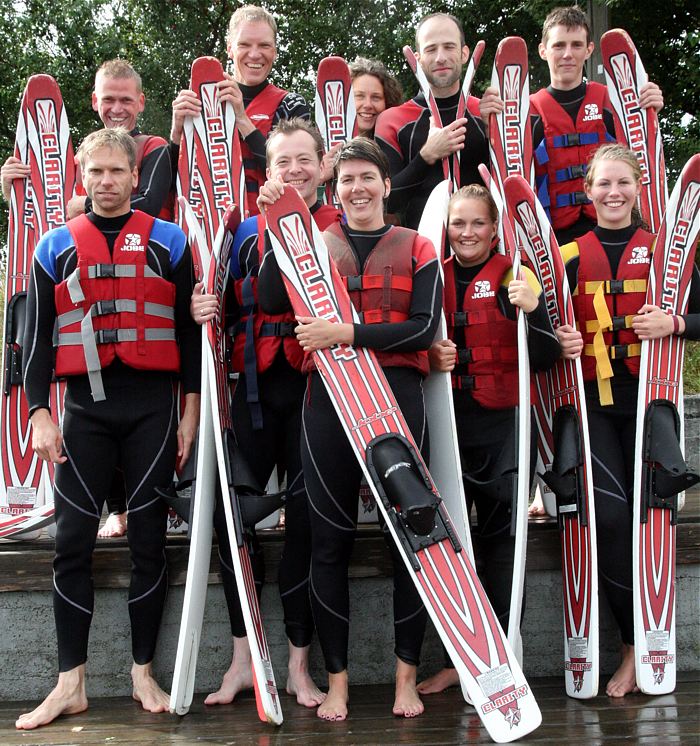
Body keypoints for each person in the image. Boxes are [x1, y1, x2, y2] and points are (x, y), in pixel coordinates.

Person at [16, 127, 200, 729]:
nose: (105, 181)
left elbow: (191, 336)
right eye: (94, 171)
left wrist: (191, 409)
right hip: (83, 413)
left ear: (134, 175)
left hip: (152, 409)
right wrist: (40, 413)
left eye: (117, 171)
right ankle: (70, 682)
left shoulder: (170, 243)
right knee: (71, 543)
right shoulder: (54, 248)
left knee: (149, 542)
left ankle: (143, 671)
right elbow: (35, 340)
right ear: (81, 174)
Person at [258, 137, 442, 721]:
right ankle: (337, 681)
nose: (357, 189)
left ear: (387, 186)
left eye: (367, 178)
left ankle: (404, 678)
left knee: (408, 544)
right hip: (328, 405)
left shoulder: (418, 245)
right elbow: (267, 298)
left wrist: (347, 335)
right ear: (333, 192)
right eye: (346, 181)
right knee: (329, 543)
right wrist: (274, 229)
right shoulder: (314, 245)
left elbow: (421, 328)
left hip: (398, 402)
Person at [191, 118, 340, 709]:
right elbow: (219, 305)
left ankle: (298, 667)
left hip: (313, 398)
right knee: (235, 524)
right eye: (284, 163)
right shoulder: (242, 232)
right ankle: (242, 661)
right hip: (250, 395)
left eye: (306, 161)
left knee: (305, 527)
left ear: (323, 167)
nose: (295, 172)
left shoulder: (339, 229)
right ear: (267, 170)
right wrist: (202, 304)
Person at [2, 59, 175, 539]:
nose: (117, 108)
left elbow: (146, 197)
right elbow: (48, 226)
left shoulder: (155, 150)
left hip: (149, 282)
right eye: (108, 99)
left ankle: (130, 508)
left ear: (141, 103)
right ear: (95, 103)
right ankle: (110, 506)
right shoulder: (80, 157)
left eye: (127, 99)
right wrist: (18, 192)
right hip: (91, 328)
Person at [554, 144, 700, 697]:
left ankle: (647, 644)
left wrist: (677, 320)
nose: (613, 193)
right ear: (587, 193)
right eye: (603, 184)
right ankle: (629, 648)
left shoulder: (668, 253)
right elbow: (534, 338)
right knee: (612, 522)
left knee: (651, 525)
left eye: (623, 183)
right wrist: (557, 337)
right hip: (592, 411)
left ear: (640, 189)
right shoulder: (566, 255)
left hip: (650, 406)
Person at [418, 185, 561, 695]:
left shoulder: (514, 276)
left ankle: (504, 649)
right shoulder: (430, 274)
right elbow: (411, 343)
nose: (468, 232)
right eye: (459, 223)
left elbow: (544, 357)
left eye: (478, 223)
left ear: (495, 228)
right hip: (449, 430)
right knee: (453, 547)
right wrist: (429, 359)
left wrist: (536, 308)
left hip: (502, 430)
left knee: (500, 545)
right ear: (447, 226)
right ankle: (461, 658)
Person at [479, 5, 663, 245]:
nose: (567, 54)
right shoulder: (525, 113)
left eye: (576, 45)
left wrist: (649, 113)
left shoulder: (615, 104)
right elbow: (505, 170)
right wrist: (491, 128)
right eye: (559, 45)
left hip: (614, 234)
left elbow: (642, 159)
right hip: (553, 241)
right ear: (543, 51)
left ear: (589, 50)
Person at [169, 5, 309, 215]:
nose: (255, 54)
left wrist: (242, 119)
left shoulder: (291, 104)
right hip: (210, 225)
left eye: (264, 45)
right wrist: (176, 135)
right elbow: (173, 182)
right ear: (230, 48)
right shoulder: (201, 98)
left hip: (265, 225)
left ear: (274, 51)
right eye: (244, 44)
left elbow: (294, 177)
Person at [375, 12, 489, 229]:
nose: (440, 57)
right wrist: (426, 156)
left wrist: (495, 136)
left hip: (483, 252)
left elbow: (512, 186)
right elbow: (385, 201)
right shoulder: (393, 120)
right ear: (417, 59)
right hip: (420, 255)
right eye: (431, 49)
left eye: (449, 46)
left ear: (464, 53)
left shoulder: (483, 112)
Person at [348, 57, 403, 138]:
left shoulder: (401, 144)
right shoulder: (326, 146)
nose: (368, 105)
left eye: (376, 97)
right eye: (359, 96)